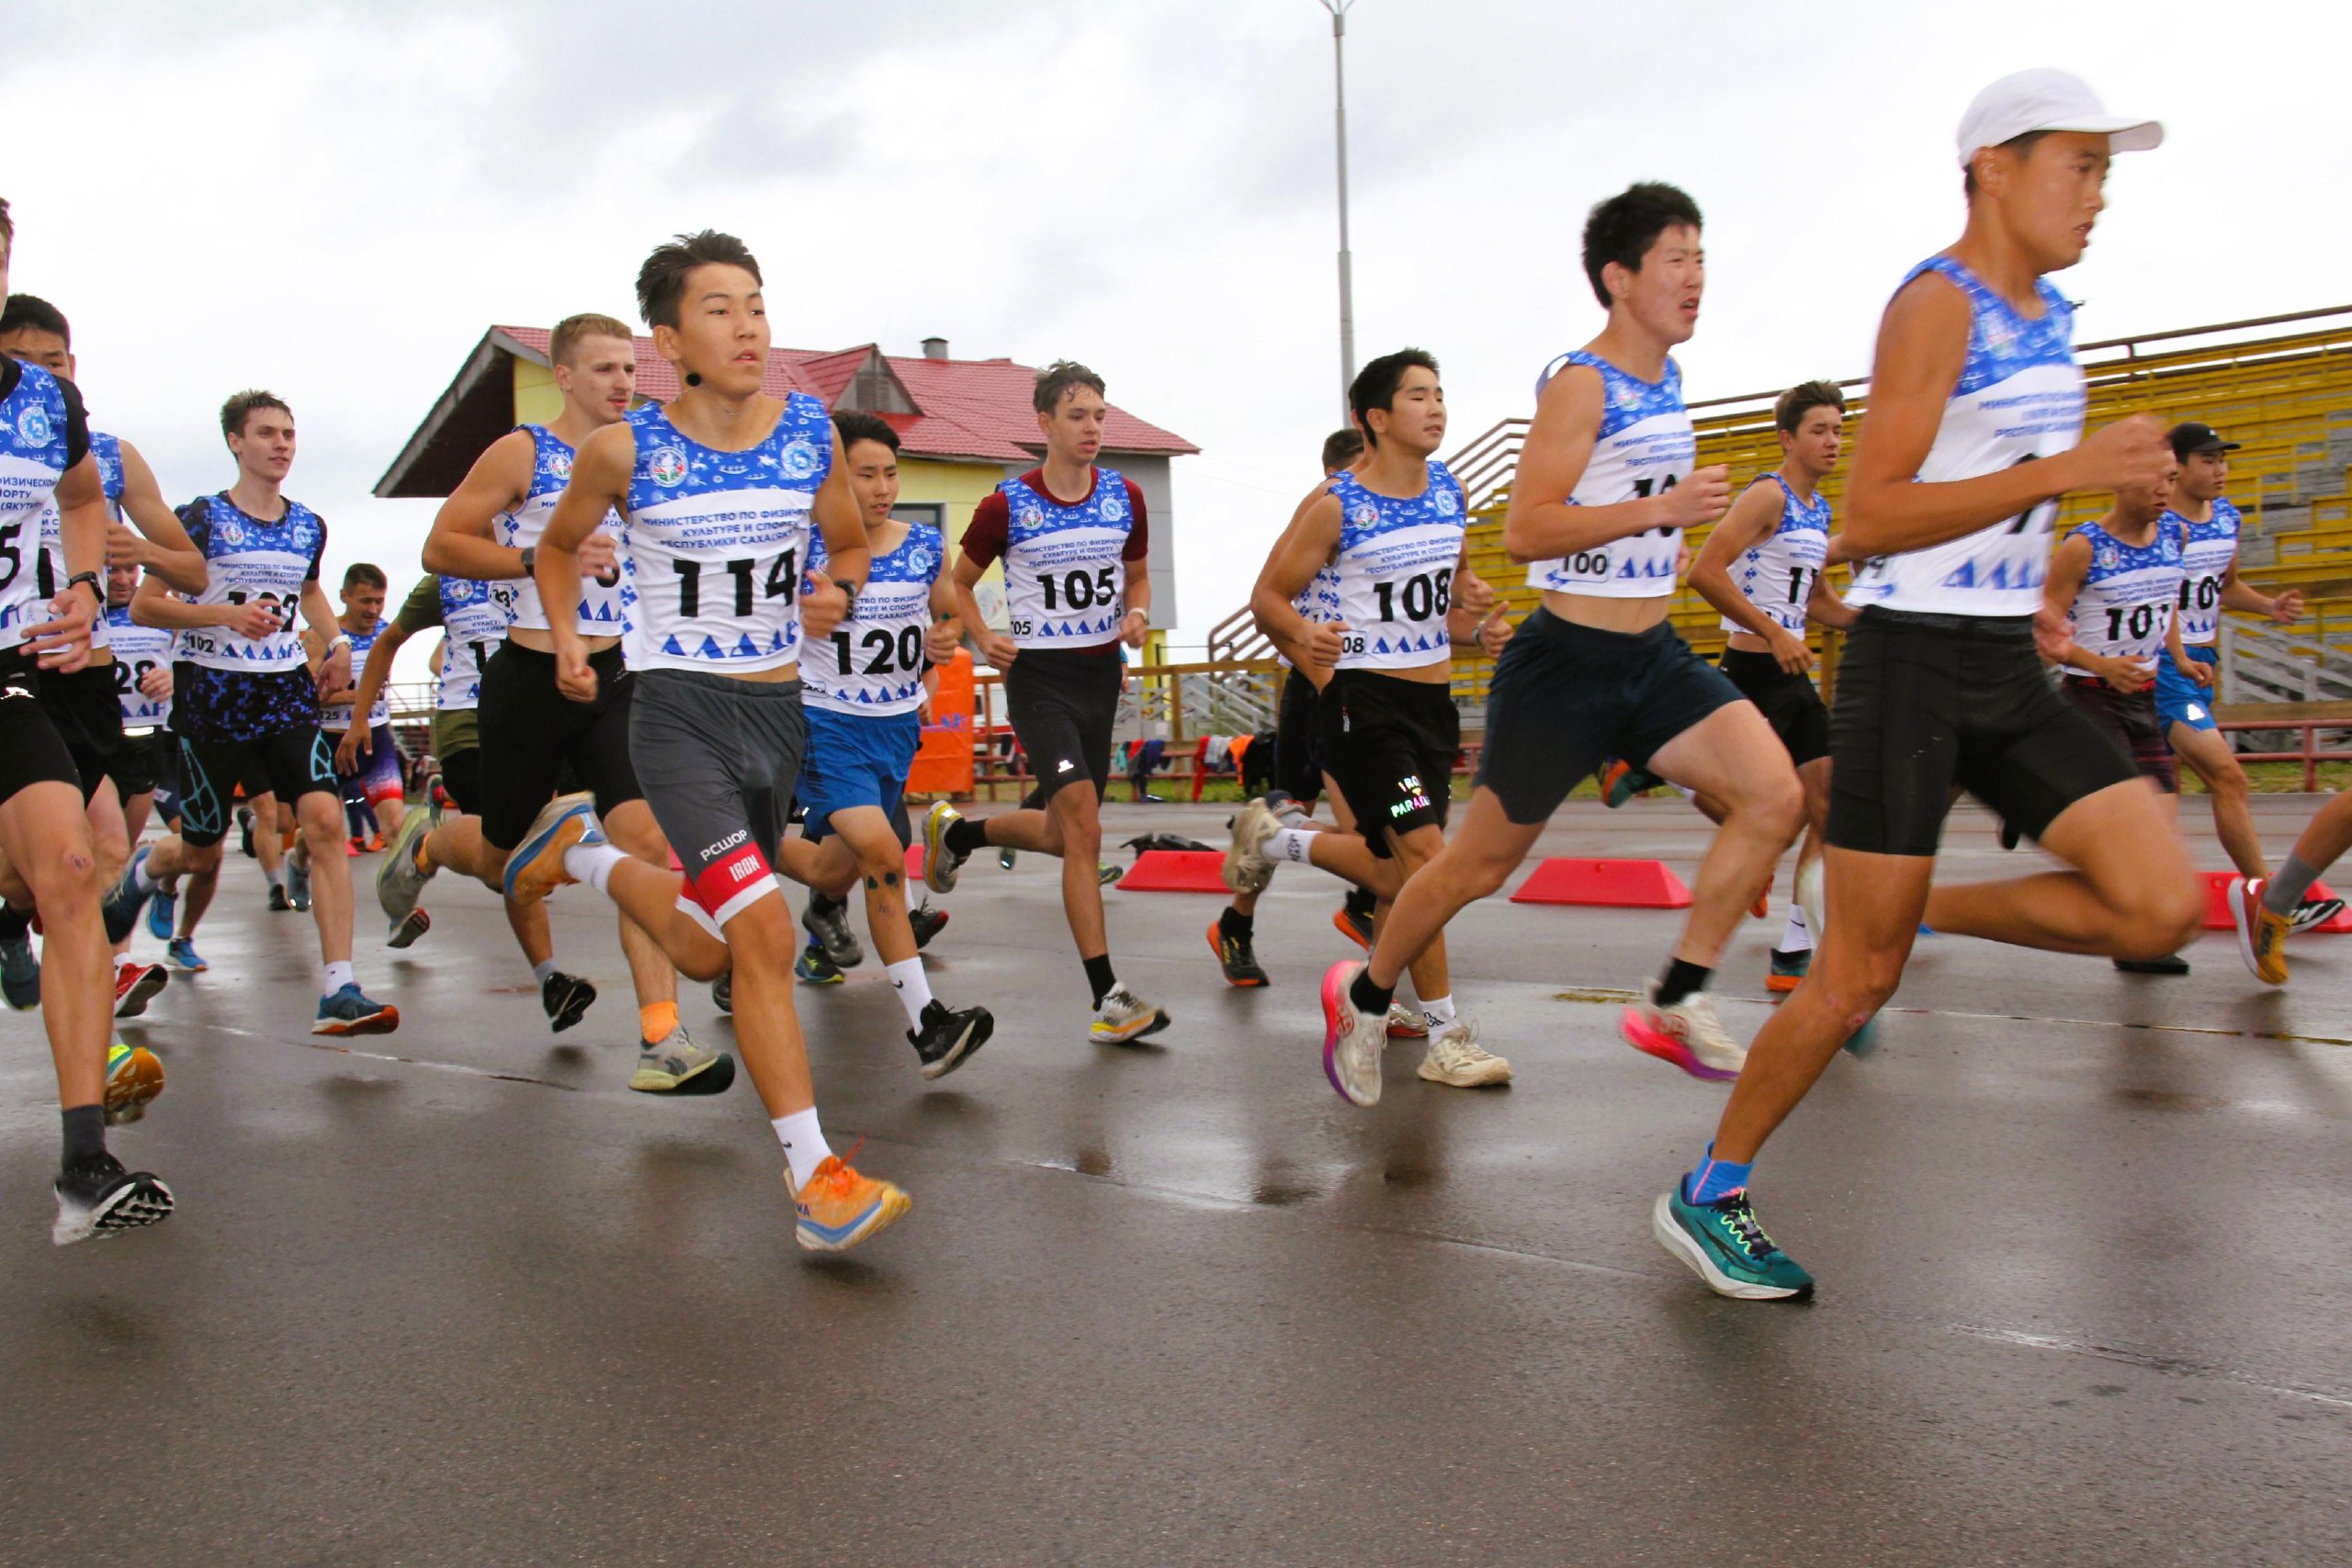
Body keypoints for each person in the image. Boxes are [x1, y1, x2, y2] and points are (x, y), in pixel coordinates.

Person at [1653, 70, 2198, 1302]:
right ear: (1994, 168)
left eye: (2108, 171)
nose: (2099, 194)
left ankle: (1923, 902)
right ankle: (1711, 1190)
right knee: (1852, 982)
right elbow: (1876, 513)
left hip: (2005, 661)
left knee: (2160, 903)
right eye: (2080, 164)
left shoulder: (2052, 314)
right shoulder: (1933, 303)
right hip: (1909, 663)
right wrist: (2066, 460)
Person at [1317, 182, 1806, 1102]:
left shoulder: (1667, 379)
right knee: (1473, 869)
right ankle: (1369, 998)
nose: (1695, 278)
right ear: (1618, 278)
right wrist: (1664, 507)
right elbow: (1528, 530)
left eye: (1700, 258)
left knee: (1775, 796)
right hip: (1566, 667)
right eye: (1675, 259)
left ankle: (1677, 998)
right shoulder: (1581, 381)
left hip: (1651, 658)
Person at [505, 230, 911, 1251]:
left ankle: (582, 857)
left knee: (706, 946)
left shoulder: (809, 433)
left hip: (777, 716)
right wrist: (564, 639)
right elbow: (556, 551)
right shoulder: (625, 450)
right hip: (678, 714)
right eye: (721, 308)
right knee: (766, 936)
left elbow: (849, 545)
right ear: (669, 337)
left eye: (757, 304)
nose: (748, 326)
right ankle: (814, 1178)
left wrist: (837, 591)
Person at [393, 312, 699, 1074]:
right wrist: (539, 556)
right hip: (528, 678)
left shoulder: (642, 455)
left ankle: (661, 1037)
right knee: (505, 864)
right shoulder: (525, 451)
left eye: (630, 369)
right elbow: (441, 544)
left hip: (617, 676)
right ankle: (430, 839)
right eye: (603, 370)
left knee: (647, 843)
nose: (623, 383)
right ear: (564, 377)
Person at [1233, 348, 1511, 1097]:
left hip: (1432, 706)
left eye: (1441, 393)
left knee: (1400, 879)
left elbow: (1439, 611)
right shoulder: (1339, 505)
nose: (1437, 407)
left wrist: (1475, 625)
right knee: (1430, 859)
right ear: (1376, 418)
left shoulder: (1450, 490)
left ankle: (1277, 839)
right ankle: (1447, 1034)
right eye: (1418, 396)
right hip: (1363, 706)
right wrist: (1306, 640)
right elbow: (1267, 597)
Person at [107, 389, 401, 1035]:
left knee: (323, 821)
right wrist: (223, 614)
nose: (281, 444)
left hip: (283, 695)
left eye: (289, 434)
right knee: (198, 852)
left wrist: (340, 643)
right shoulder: (202, 518)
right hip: (211, 697)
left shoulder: (308, 525)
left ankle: (339, 985)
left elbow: (310, 590)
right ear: (236, 442)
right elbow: (146, 608)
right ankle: (145, 869)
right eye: (266, 433)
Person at [0, 197, 174, 1242]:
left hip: (16, 669)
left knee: (73, 867)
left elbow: (77, 497)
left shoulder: (45, 406)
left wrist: (86, 591)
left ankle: (81, 1167)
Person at [921, 361, 1167, 1044]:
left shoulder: (1125, 496)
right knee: (1085, 828)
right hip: (1038, 680)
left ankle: (959, 833)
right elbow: (958, 583)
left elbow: (1138, 577)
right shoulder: (1008, 504)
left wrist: (1139, 613)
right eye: (1077, 415)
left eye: (1099, 415)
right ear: (1045, 424)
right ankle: (1106, 994)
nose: (1091, 428)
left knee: (1066, 836)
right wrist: (981, 634)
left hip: (1099, 677)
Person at [0, 293, 207, 1017]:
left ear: (72, 367)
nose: (36, 377)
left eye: (51, 364)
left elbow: (192, 571)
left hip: (87, 672)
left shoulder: (109, 456)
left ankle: (25, 930)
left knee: (81, 856)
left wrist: (137, 550)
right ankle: (106, 991)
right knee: (93, 841)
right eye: (18, 362)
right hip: (16, 665)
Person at [778, 412, 991, 1077]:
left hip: (896, 726)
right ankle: (928, 1022)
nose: (880, 487)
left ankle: (751, 842)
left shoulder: (925, 544)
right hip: (825, 721)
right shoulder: (804, 546)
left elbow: (947, 607)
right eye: (863, 474)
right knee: (884, 853)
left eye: (890, 473)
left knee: (828, 871)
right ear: (834, 480)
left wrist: (944, 638)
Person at [338, 571, 597, 1023]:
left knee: (522, 863)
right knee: (508, 860)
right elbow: (388, 641)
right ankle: (427, 845)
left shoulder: (545, 561)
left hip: (533, 722)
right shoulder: (443, 581)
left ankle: (550, 980)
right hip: (466, 724)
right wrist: (361, 717)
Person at [1688, 380, 1862, 995]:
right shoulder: (1769, 495)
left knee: (1828, 802)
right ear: (1788, 437)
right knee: (1762, 813)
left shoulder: (1819, 510)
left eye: (1839, 430)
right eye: (1819, 430)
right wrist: (1773, 631)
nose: (1832, 441)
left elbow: (1817, 601)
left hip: (1794, 676)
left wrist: (1874, 620)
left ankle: (1794, 944)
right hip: (1753, 673)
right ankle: (1658, 771)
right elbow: (1703, 570)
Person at [1207, 426, 1379, 987]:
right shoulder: (1330, 503)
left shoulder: (1384, 505)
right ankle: (1368, 900)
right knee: (1361, 827)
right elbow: (1267, 598)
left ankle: (1238, 919)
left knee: (1292, 815)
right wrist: (1313, 658)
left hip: (1365, 682)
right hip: (1320, 683)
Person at [2154, 422, 2339, 930]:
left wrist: (2268, 606)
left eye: (2223, 460)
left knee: (2159, 785)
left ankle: (2151, 896)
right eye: (2208, 460)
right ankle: (2271, 900)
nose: (2220, 470)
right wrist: (2178, 656)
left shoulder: (2227, 518)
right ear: (2179, 465)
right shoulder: (2161, 524)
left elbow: (2225, 588)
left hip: (2199, 662)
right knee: (2228, 776)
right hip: (2164, 662)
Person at [2043, 452, 2198, 974]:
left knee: (2163, 818)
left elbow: (2164, 600)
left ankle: (2140, 934)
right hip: (2091, 693)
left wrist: (2177, 656)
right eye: (2156, 479)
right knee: (2128, 822)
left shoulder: (2173, 536)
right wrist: (2101, 665)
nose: (2165, 490)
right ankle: (2135, 939)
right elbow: (2044, 634)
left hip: (2144, 695)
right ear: (2119, 481)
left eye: (2172, 480)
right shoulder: (2084, 547)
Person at [311, 563, 405, 852]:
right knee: (324, 832)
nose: (373, 609)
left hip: (373, 739)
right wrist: (355, 697)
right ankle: (298, 862)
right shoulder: (322, 637)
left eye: (379, 601)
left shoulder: (386, 632)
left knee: (396, 828)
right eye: (365, 601)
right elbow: (304, 698)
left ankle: (399, 898)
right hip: (329, 741)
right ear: (345, 596)